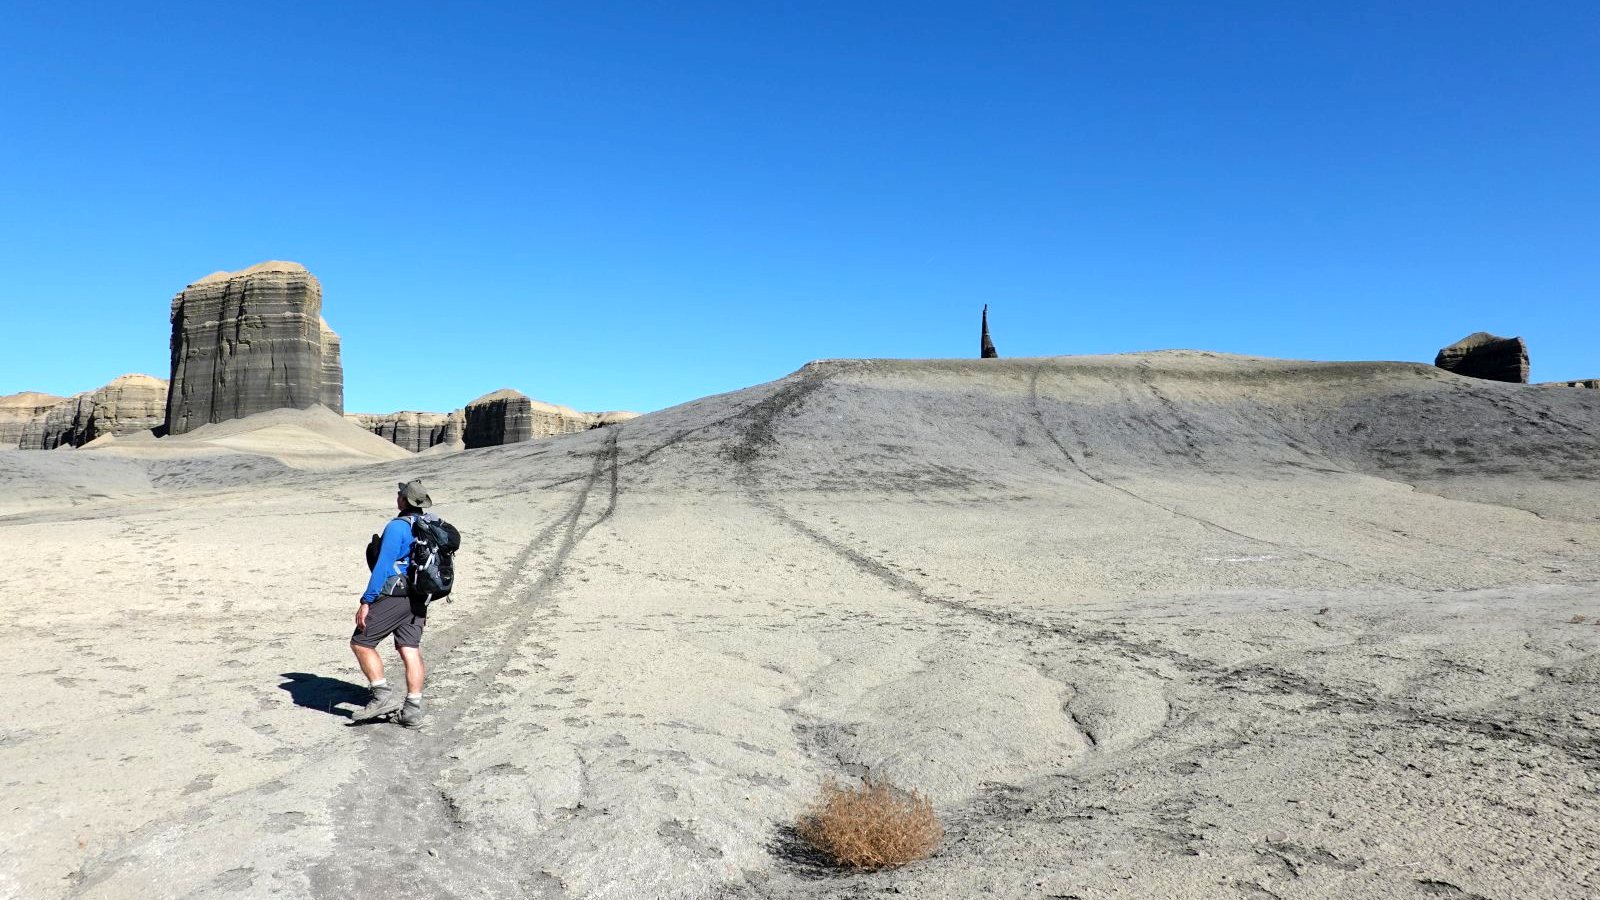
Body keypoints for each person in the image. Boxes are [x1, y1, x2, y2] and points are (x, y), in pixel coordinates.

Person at [350, 479, 434, 726]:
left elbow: (383, 567)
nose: (397, 497)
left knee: (361, 643)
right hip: (421, 596)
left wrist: (367, 600)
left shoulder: (397, 527)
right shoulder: (427, 524)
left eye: (400, 494)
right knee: (409, 649)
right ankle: (412, 710)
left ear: (403, 500)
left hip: (395, 595)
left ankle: (382, 696)